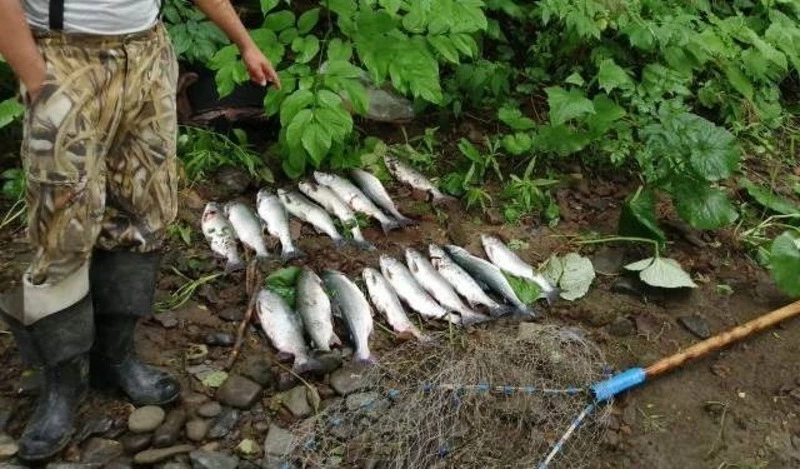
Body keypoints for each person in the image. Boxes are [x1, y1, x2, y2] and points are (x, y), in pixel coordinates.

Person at [0, 0, 280, 461]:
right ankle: (63, 385)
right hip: (66, 60)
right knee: (62, 229)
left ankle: (116, 358)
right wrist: (36, 80)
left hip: (148, 56)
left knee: (144, 211)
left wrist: (244, 42)